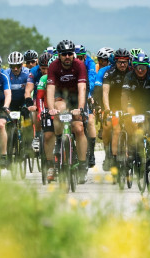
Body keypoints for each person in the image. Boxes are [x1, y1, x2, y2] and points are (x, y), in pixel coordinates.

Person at [46, 40, 89, 177]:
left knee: (79, 128)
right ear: (59, 55)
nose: (67, 57)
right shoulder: (53, 66)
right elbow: (50, 89)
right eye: (64, 54)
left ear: (73, 54)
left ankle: (82, 165)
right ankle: (59, 140)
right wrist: (51, 109)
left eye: (70, 53)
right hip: (61, 97)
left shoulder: (79, 65)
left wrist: (80, 108)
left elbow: (82, 88)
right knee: (60, 108)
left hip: (76, 97)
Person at [121, 52, 150, 183]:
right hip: (136, 105)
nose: (140, 70)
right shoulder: (129, 76)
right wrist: (124, 111)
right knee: (130, 123)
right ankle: (133, 151)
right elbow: (124, 95)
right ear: (134, 67)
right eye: (138, 67)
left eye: (143, 67)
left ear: (147, 67)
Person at [102, 48, 132, 170]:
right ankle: (110, 155)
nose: (123, 64)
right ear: (115, 62)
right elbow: (105, 93)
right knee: (111, 127)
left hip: (128, 105)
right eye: (120, 62)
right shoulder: (110, 73)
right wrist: (107, 109)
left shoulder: (133, 72)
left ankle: (131, 153)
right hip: (113, 106)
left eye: (125, 62)